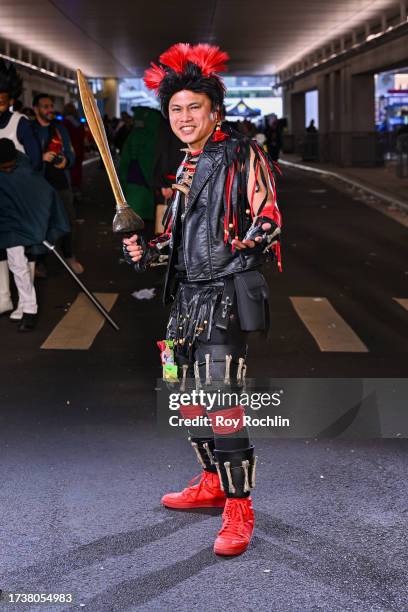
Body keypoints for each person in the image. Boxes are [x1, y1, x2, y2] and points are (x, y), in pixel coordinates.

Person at [123, 43, 282, 556]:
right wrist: (143, 249)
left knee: (222, 402)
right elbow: (175, 245)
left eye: (195, 107)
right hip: (185, 303)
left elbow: (269, 217)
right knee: (183, 396)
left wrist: (250, 241)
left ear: (215, 112)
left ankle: (240, 507)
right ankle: (212, 481)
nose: (185, 117)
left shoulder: (241, 153)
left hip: (224, 296)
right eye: (176, 109)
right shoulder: (187, 167)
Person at [0, 138, 69, 331]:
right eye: (2, 168)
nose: (6, 171)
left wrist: (38, 227)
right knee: (17, 264)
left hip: (27, 224)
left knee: (22, 264)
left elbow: (42, 196)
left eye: (8, 167)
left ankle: (28, 308)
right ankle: (26, 307)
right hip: (9, 224)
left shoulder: (24, 169)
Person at [0, 60, 42, 317]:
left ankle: (27, 305)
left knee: (17, 256)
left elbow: (35, 163)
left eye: (1, 101)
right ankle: (4, 298)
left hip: (16, 201)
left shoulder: (20, 123)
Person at [32, 93, 84, 275]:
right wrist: (41, 158)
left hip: (61, 182)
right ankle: (38, 262)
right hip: (38, 185)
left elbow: (71, 152)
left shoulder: (60, 129)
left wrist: (66, 162)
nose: (49, 109)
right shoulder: (29, 129)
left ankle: (69, 256)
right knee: (41, 224)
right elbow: (22, 156)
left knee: (69, 222)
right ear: (36, 109)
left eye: (51, 106)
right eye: (45, 106)